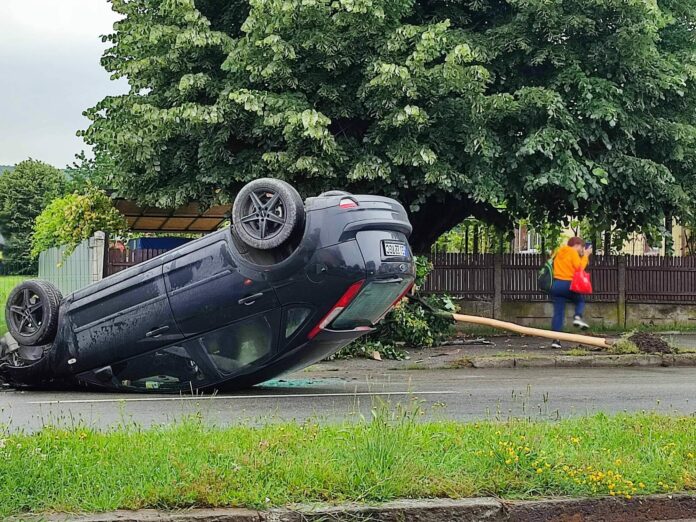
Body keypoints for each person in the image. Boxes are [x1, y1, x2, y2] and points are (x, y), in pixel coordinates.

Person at [550, 237, 592, 348]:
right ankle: (577, 317)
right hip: (568, 284)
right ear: (577, 244)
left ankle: (556, 341)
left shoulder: (558, 251)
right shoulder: (573, 252)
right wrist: (586, 256)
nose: (581, 250)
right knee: (580, 301)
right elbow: (580, 268)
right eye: (581, 247)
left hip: (556, 284)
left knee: (558, 313)